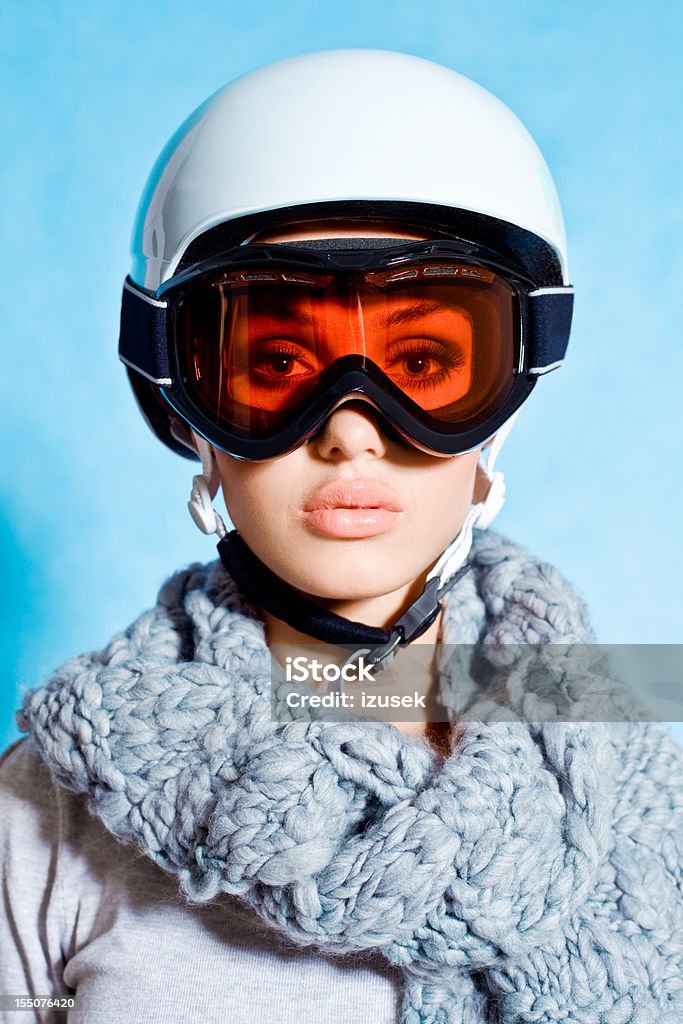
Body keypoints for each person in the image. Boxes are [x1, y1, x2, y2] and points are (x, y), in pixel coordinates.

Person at [2, 49, 682, 1024]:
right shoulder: (43, 818)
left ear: (503, 402)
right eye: (277, 359)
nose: (350, 424)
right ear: (185, 403)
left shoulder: (637, 781)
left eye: (422, 359)